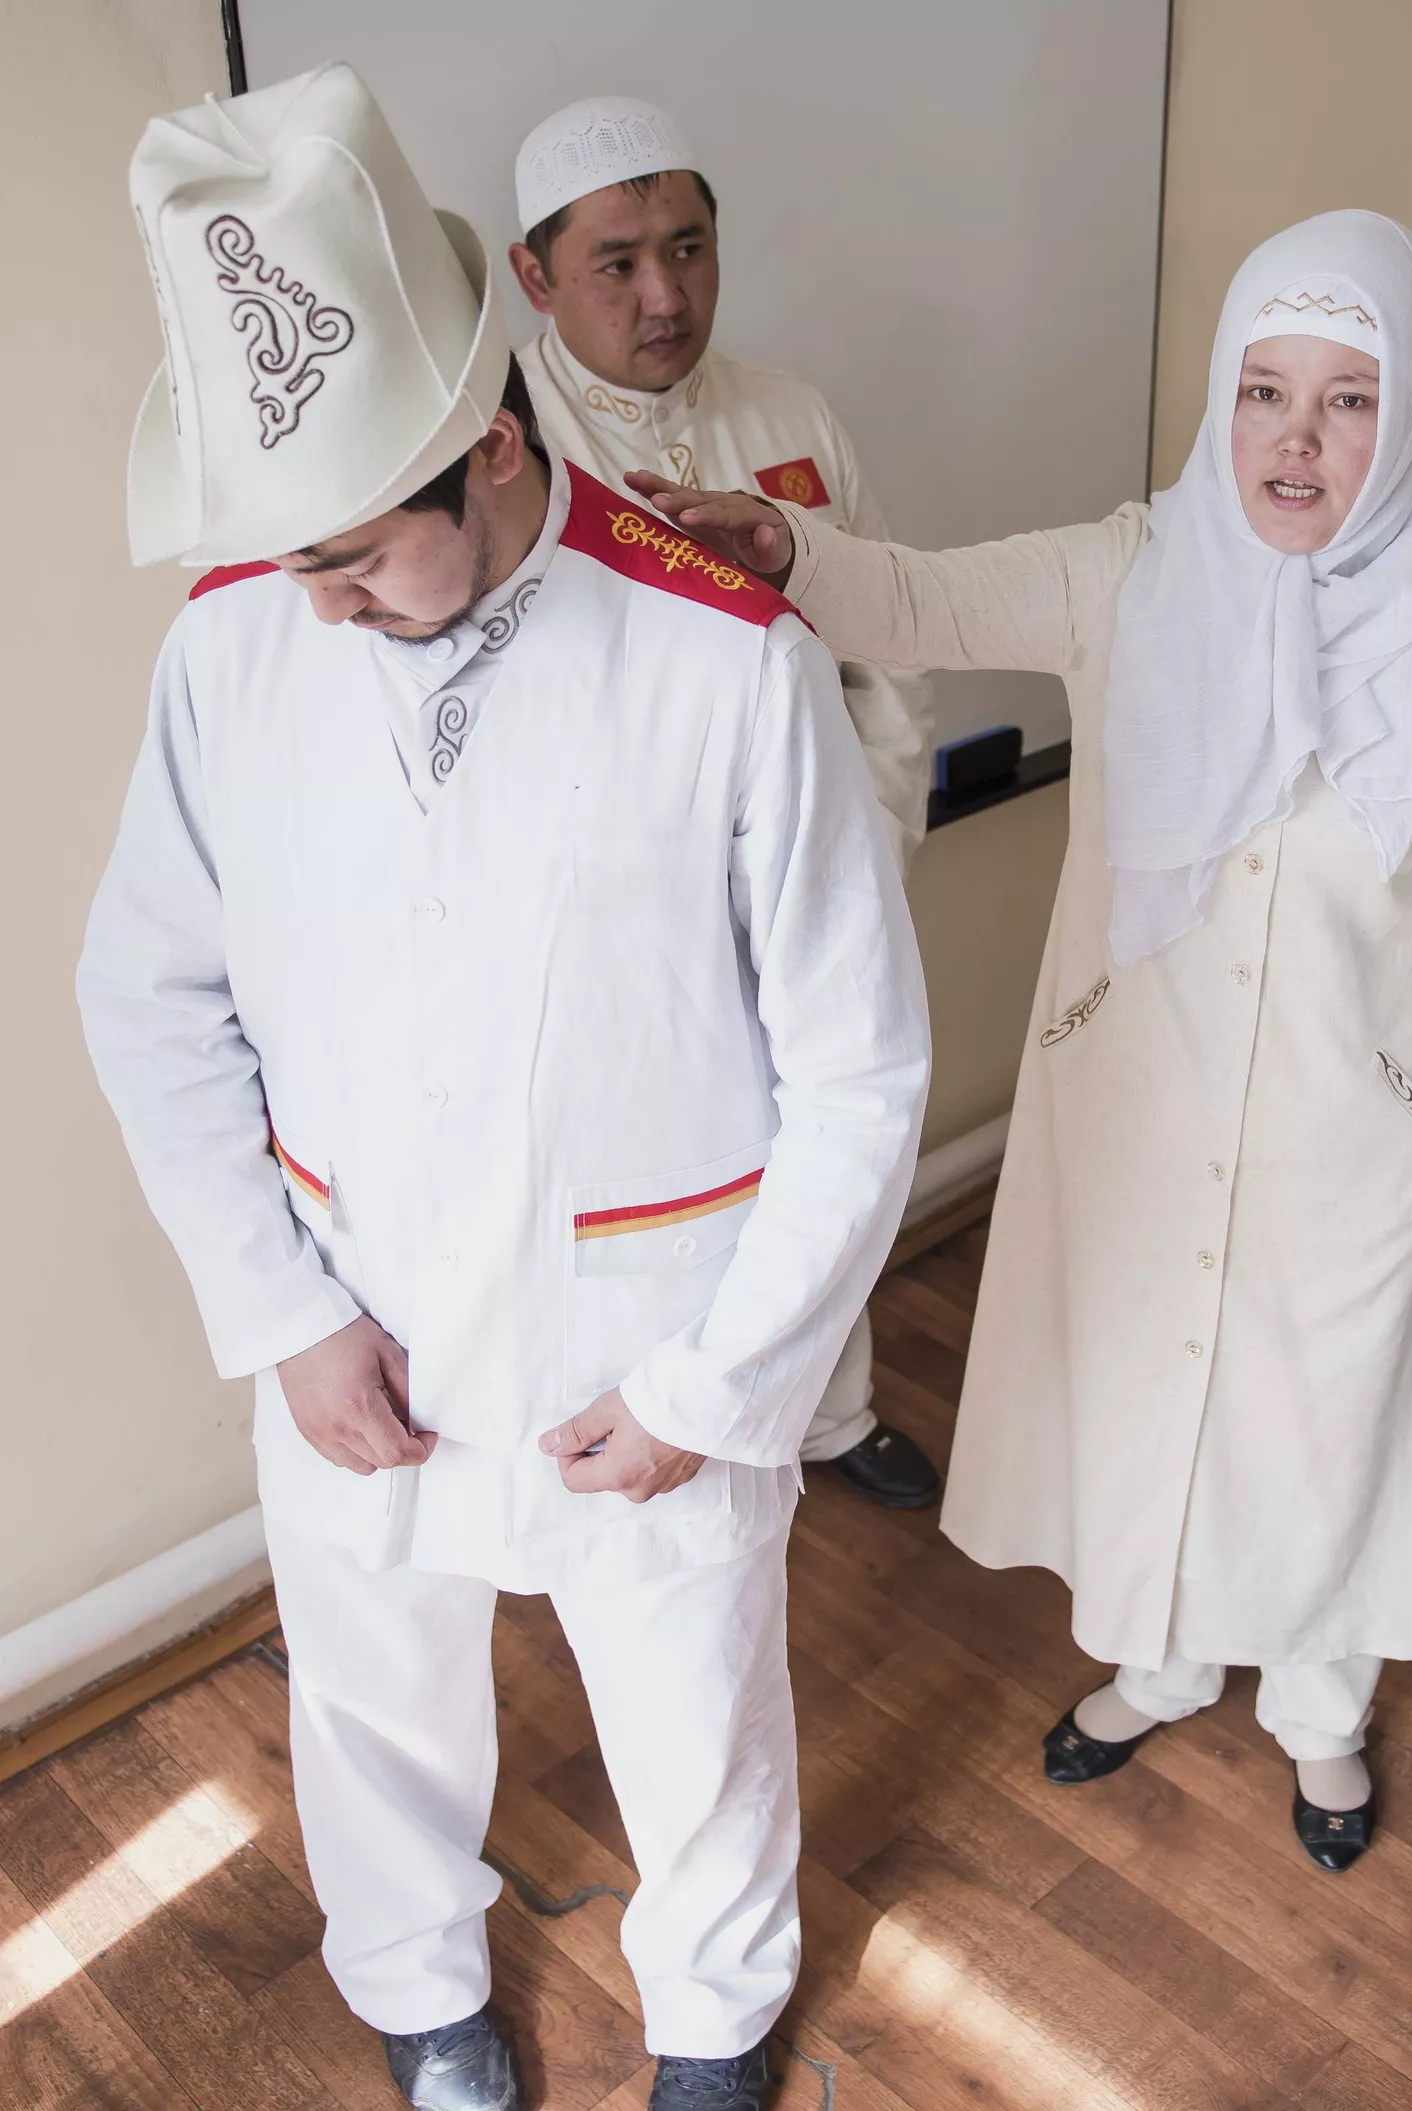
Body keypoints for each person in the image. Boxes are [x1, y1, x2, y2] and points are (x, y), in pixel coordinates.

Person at [80, 64, 927, 2111]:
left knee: (692, 1699)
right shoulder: (235, 647)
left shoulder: (726, 660)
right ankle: (415, 1976)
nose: (321, 602)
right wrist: (279, 1311)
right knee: (370, 1682)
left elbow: (861, 1066)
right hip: (352, 1305)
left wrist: (716, 1382)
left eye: (360, 555)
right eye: (291, 559)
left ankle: (713, 2012)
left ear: (488, 443)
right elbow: (149, 990)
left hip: (647, 1332)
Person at [632, 212, 1412, 1871]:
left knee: (1324, 1418)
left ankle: (1322, 1710)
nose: (1295, 438)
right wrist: (783, 551)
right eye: (1264, 390)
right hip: (1147, 1096)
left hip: (1365, 1119)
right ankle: (1163, 1655)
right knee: (1156, 1388)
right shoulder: (1135, 568)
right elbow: (922, 597)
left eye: (1348, 401)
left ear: (1408, 410)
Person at [508, 96, 941, 1512]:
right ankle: (653, 1431)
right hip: (636, 919)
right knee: (672, 1192)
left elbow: (890, 657)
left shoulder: (788, 413)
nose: (666, 295)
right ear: (533, 276)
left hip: (820, 877)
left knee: (834, 1139)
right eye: (618, 262)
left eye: (689, 249)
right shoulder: (505, 449)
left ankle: (830, 1412)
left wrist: (868, 853)